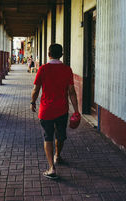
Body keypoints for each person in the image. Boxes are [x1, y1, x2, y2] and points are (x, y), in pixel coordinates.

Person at [30, 44, 80, 180]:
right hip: (62, 110)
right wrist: (76, 110)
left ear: (48, 54)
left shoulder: (43, 69)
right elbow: (71, 92)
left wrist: (33, 102)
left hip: (46, 110)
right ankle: (58, 155)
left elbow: (36, 89)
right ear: (61, 54)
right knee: (60, 135)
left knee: (48, 137)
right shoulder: (67, 70)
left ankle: (51, 167)